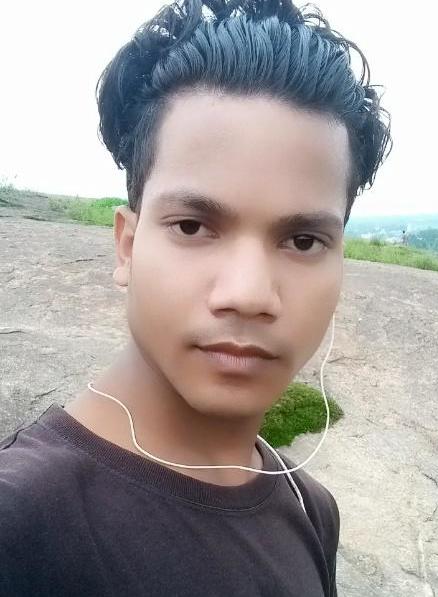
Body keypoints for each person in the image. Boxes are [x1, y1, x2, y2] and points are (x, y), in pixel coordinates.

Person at [0, 1, 391, 595]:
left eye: (303, 240)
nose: (248, 294)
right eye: (192, 226)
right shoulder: (22, 526)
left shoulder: (310, 508)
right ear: (127, 246)